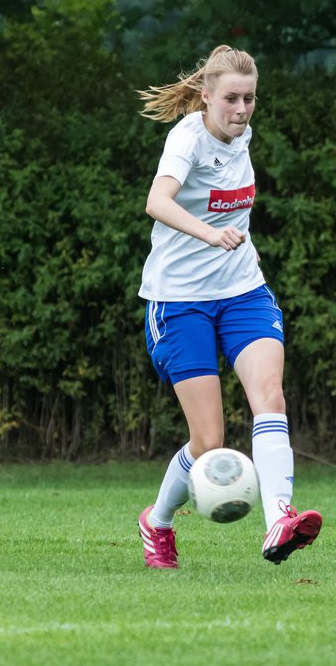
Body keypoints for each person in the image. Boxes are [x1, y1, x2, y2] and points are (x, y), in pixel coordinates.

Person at [134, 45, 322, 569]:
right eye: (231, 100)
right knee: (208, 438)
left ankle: (278, 520)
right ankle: (159, 521)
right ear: (206, 97)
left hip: (243, 291)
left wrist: (225, 244)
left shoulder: (243, 135)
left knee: (271, 397)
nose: (241, 110)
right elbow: (158, 201)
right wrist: (209, 234)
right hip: (179, 301)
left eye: (250, 99)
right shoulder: (185, 138)